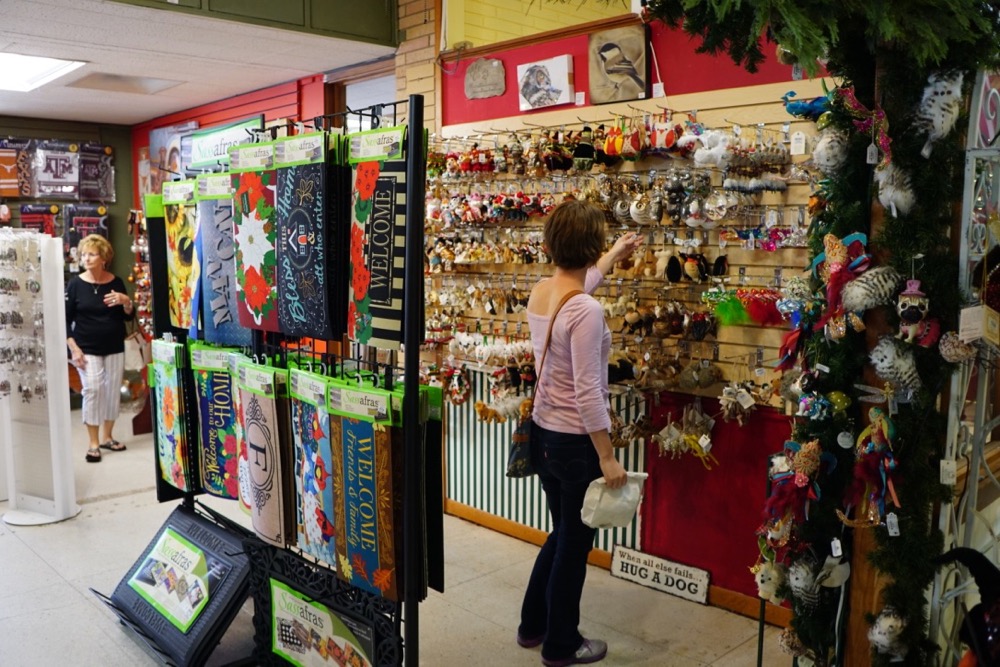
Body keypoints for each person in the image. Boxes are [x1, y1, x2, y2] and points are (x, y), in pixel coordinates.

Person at [518, 199, 643, 667]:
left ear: (551, 244)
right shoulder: (585, 310)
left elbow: (580, 283)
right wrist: (607, 456)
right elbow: (590, 392)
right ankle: (560, 644)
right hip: (576, 442)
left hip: (545, 435)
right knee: (573, 545)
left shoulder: (543, 292)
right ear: (590, 247)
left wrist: (614, 254)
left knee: (563, 533)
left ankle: (533, 625)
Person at [65, 234, 134, 462]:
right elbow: (65, 319)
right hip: (86, 348)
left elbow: (128, 316)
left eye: (91, 254)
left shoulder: (116, 283)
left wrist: (126, 301)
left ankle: (107, 437)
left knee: (112, 391)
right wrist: (74, 348)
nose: (86, 258)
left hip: (114, 346)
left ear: (103, 258)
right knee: (93, 389)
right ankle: (93, 443)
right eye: (83, 254)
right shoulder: (75, 285)